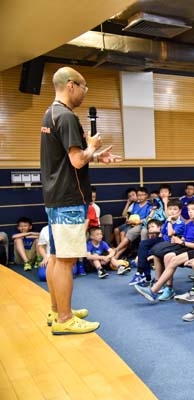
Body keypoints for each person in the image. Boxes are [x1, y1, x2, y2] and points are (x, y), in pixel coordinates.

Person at [41, 66, 120, 335]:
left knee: (55, 257)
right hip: (69, 198)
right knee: (66, 260)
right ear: (71, 85)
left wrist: (96, 156)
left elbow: (66, 158)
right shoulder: (67, 117)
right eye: (84, 87)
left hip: (55, 196)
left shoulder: (51, 113)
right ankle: (65, 319)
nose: (85, 93)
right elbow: (76, 160)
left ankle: (57, 310)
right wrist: (92, 148)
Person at [132, 200, 194, 301]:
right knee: (161, 254)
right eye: (189, 210)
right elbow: (182, 238)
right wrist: (178, 240)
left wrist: (181, 242)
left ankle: (159, 289)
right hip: (184, 247)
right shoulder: (189, 224)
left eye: (193, 209)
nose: (190, 212)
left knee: (169, 257)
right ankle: (165, 287)